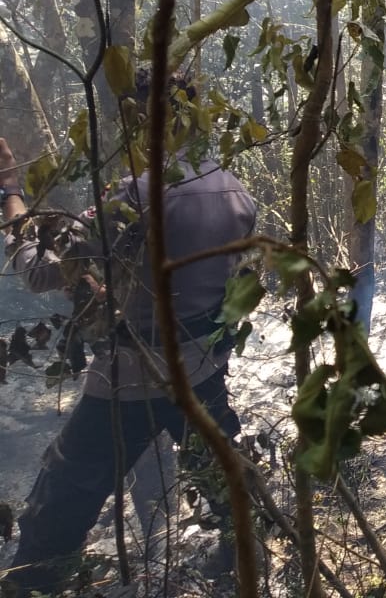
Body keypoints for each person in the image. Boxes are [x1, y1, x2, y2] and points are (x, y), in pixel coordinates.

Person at [0, 72, 257, 596]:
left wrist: (11, 196)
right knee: (228, 481)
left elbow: (39, 271)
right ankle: (244, 565)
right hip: (200, 372)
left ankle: (31, 583)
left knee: (60, 503)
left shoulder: (134, 195)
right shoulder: (234, 190)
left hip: (129, 380)